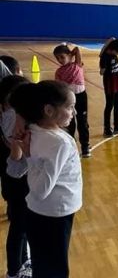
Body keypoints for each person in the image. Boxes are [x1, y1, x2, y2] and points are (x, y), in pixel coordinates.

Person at [7, 81, 83, 278]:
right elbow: (40, 190)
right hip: (54, 213)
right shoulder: (59, 142)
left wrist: (29, 156)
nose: (74, 112)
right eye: (70, 107)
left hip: (42, 212)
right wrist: (29, 157)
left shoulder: (34, 130)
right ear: (49, 110)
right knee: (55, 268)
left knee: (43, 262)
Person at [0, 75, 32, 278]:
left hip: (12, 179)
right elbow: (17, 155)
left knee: (20, 224)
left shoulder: (7, 112)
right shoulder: (14, 116)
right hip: (19, 179)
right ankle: (14, 270)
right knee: (19, 227)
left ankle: (22, 262)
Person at [53, 44, 91, 157]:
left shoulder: (77, 64)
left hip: (81, 97)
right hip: (68, 99)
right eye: (57, 58)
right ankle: (71, 147)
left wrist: (70, 54)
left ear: (69, 55)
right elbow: (59, 87)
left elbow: (77, 49)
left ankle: (85, 146)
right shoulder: (59, 72)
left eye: (62, 57)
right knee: (69, 123)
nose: (60, 60)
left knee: (82, 121)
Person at [99, 38, 118, 137]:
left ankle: (117, 125)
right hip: (110, 85)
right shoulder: (104, 57)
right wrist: (103, 68)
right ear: (112, 49)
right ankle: (107, 128)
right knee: (109, 106)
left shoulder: (113, 53)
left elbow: (112, 38)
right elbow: (101, 72)